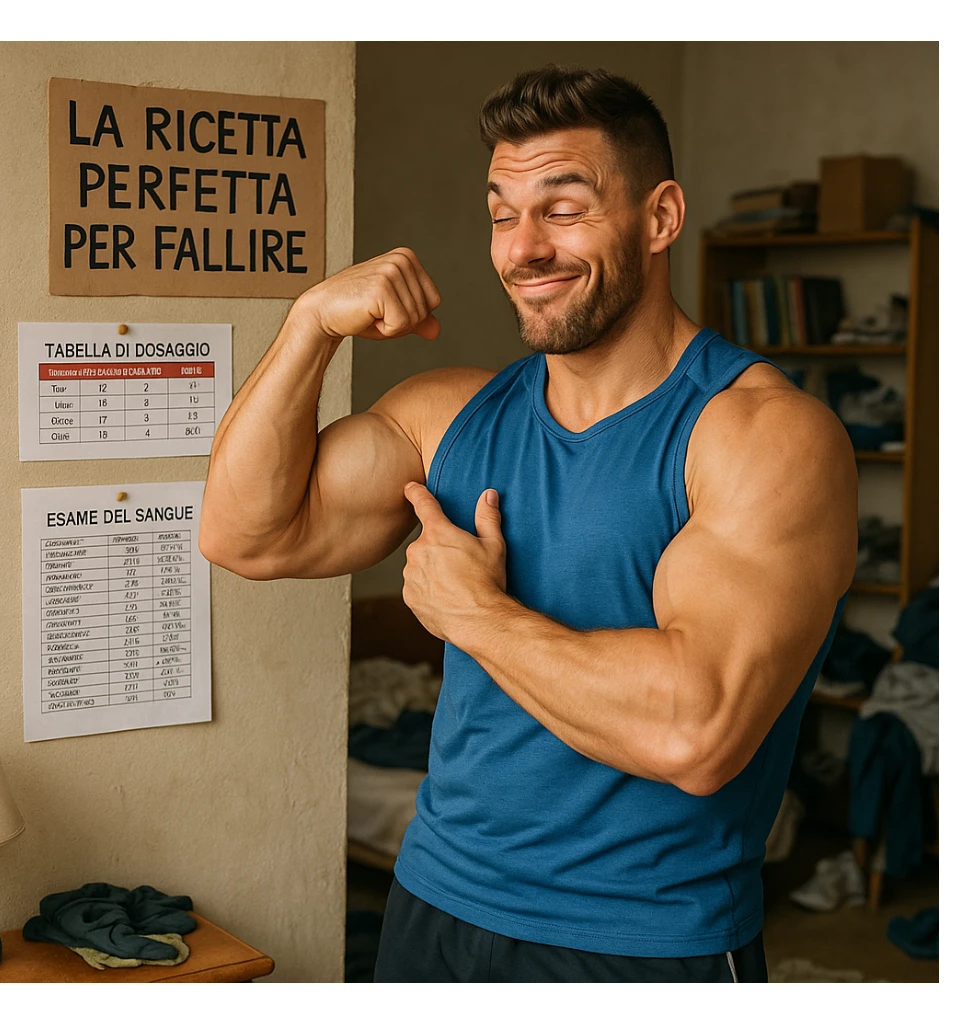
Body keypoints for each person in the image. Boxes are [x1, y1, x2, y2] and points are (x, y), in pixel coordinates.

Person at [199, 65, 858, 983]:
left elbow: (696, 735)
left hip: (639, 943)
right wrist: (310, 324)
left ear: (660, 216)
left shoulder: (761, 436)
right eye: (503, 213)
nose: (524, 248)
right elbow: (246, 534)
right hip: (434, 904)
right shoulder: (451, 415)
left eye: (565, 206)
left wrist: (471, 614)